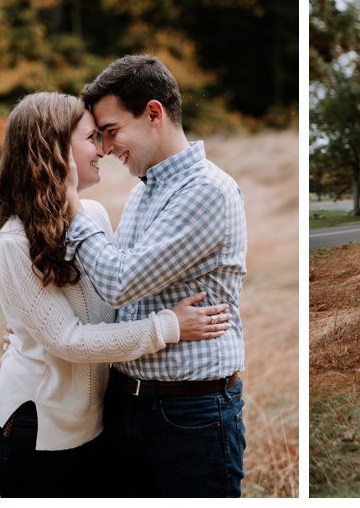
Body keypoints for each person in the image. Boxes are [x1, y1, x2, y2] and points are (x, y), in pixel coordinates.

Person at [0, 92, 233, 497]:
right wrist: (169, 326)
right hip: (37, 430)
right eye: (90, 138)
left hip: (96, 424)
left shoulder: (93, 217)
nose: (102, 149)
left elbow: (116, 300)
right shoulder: (14, 240)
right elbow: (67, 339)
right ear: (54, 149)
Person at [64, 54, 249, 497]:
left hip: (190, 413)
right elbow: (115, 294)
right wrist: (36, 328)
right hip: (127, 403)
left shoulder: (207, 190)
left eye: (111, 131)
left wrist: (70, 205)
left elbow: (120, 281)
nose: (106, 148)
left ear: (153, 113)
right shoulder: (146, 191)